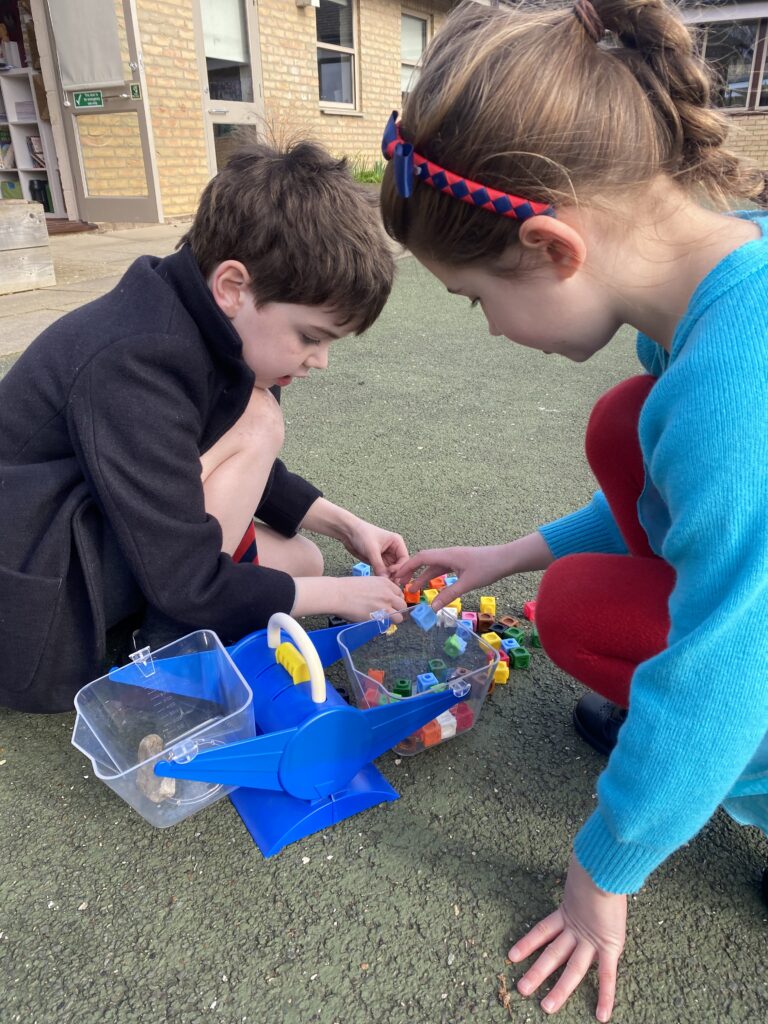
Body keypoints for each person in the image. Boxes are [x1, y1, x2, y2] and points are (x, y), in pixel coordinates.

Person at [379, 1, 768, 1019]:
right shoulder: (721, 286)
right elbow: (685, 501)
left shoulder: (740, 387)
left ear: (554, 248)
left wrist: (605, 871)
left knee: (644, 634)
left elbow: (730, 663)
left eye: (476, 299)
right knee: (625, 434)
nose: (494, 330)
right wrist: (512, 555)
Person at [0, 138, 407, 715]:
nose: (320, 361)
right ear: (233, 288)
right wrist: (337, 595)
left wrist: (344, 526)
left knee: (303, 562)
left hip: (98, 533)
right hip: (37, 600)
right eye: (311, 337)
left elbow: (200, 457)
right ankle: (164, 648)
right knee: (259, 418)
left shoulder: (195, 321)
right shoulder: (136, 360)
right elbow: (187, 573)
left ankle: (179, 616)